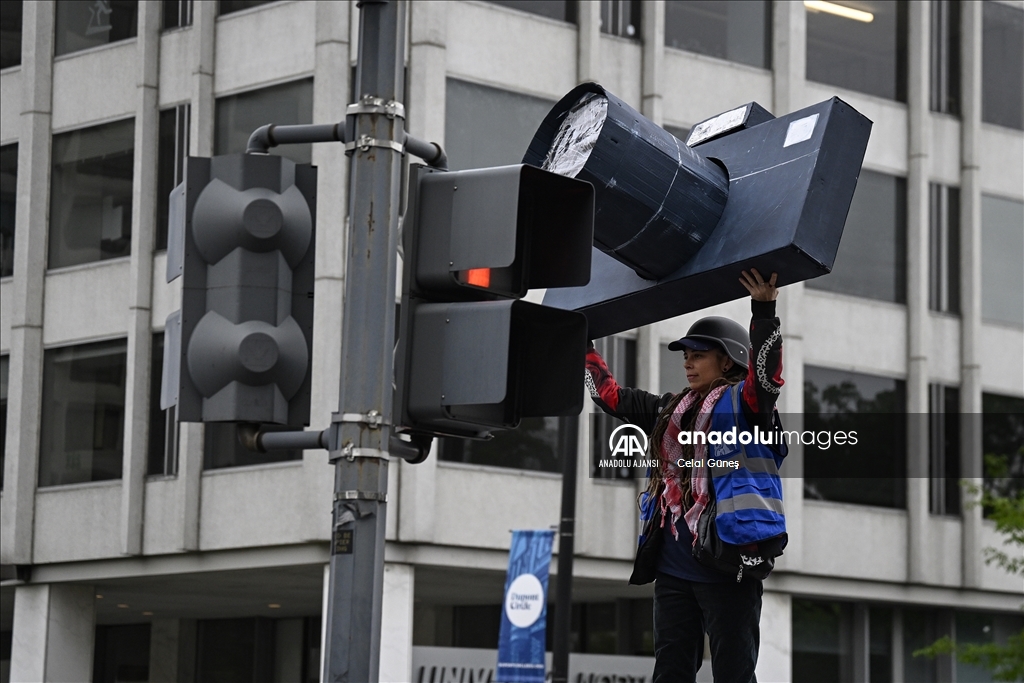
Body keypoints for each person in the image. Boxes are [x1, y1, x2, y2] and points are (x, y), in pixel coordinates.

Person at [585, 269, 786, 683]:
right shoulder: (667, 410)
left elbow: (765, 379)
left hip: (728, 566)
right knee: (670, 674)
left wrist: (764, 310)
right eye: (685, 355)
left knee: (734, 674)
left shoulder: (747, 407)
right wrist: (580, 339)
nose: (688, 362)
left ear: (726, 360)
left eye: (698, 354)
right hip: (673, 568)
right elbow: (607, 395)